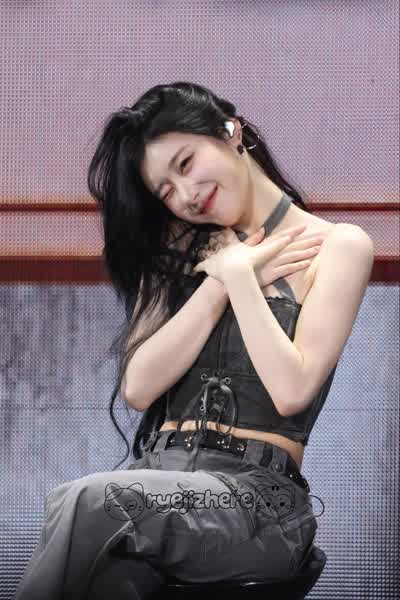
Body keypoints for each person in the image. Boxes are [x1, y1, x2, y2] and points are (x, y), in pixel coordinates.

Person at [14, 82, 374, 600]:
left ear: (231, 132)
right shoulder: (175, 248)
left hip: (255, 504)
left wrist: (241, 277)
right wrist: (216, 284)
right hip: (156, 484)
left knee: (84, 502)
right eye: (165, 191)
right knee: (107, 574)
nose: (185, 195)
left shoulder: (339, 246)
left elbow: (292, 390)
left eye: (185, 164)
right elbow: (138, 386)